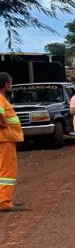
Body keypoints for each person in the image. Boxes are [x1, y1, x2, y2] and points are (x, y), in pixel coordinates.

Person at [0, 72, 25, 212]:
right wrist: (2, 125)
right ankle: (5, 202)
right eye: (9, 82)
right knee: (7, 171)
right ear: (4, 84)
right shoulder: (0, 98)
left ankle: (3, 199)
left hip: (4, 138)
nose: (11, 85)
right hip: (5, 139)